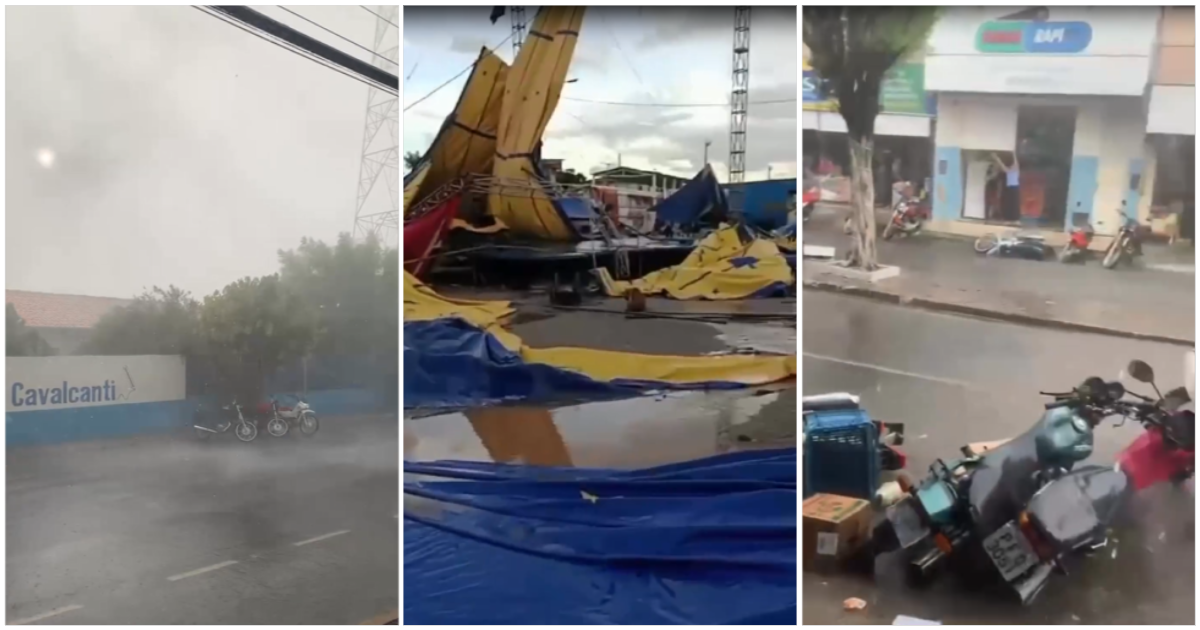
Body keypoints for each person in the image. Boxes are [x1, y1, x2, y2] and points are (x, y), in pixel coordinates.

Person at [991, 151, 1020, 221]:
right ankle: (1011, 217)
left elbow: (1004, 165)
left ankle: (1012, 217)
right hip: (1012, 189)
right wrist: (1013, 153)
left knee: (1012, 204)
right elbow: (1004, 165)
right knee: (1011, 204)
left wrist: (996, 158)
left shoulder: (1013, 170)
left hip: (1012, 189)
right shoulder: (1012, 171)